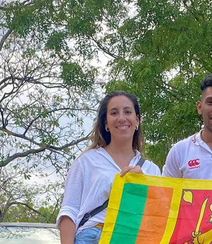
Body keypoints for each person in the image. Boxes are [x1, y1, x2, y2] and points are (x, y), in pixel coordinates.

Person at [57, 91, 161, 244]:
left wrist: (144, 184)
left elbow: (158, 219)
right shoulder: (86, 161)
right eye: (114, 113)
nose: (121, 118)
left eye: (127, 112)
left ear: (137, 120)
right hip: (93, 236)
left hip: (134, 238)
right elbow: (69, 211)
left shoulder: (152, 170)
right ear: (106, 123)